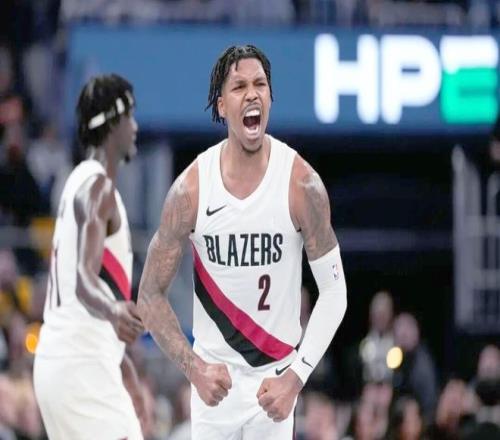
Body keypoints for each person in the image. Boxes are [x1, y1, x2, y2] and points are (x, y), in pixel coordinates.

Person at [137, 45, 348, 439]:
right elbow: (149, 296)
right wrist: (194, 369)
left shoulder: (302, 184)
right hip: (215, 385)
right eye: (239, 87)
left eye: (260, 84)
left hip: (276, 382)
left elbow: (335, 292)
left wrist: (296, 377)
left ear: (270, 97)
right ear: (221, 106)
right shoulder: (191, 190)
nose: (252, 94)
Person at [33, 74, 145, 440]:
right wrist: (114, 311)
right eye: (129, 117)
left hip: (66, 361)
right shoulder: (98, 187)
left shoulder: (77, 183)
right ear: (112, 123)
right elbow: (84, 277)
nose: (135, 127)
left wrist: (124, 366)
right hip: (80, 363)